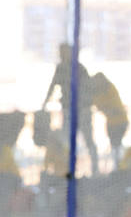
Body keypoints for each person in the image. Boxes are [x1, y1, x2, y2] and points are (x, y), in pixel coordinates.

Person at [42, 43, 98, 172]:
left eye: (64, 52)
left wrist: (84, 104)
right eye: (60, 52)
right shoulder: (61, 68)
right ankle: (67, 170)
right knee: (66, 141)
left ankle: (95, 170)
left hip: (83, 111)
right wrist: (44, 104)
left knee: (88, 140)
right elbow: (53, 86)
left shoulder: (80, 69)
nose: (61, 54)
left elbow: (89, 89)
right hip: (68, 111)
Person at [89, 72, 128, 171]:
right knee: (114, 146)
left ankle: (120, 168)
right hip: (111, 123)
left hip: (120, 122)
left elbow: (112, 109)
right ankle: (117, 167)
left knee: (117, 146)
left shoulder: (110, 90)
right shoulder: (96, 93)